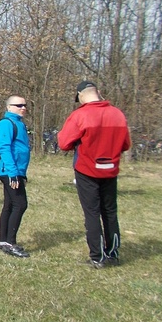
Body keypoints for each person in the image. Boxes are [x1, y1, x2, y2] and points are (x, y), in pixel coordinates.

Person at [57, 81, 131, 268]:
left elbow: (64, 143)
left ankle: (97, 256)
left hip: (87, 170)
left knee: (92, 213)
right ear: (98, 93)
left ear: (81, 95)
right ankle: (113, 253)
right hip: (110, 169)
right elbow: (126, 144)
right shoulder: (117, 114)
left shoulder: (80, 115)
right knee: (110, 212)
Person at [0, 96, 31, 258]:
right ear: (9, 107)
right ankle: (10, 242)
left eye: (24, 105)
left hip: (16, 171)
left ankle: (4, 241)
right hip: (9, 171)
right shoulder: (6, 124)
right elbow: (4, 148)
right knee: (20, 204)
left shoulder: (19, 123)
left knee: (9, 205)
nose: (23, 108)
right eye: (19, 105)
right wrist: (13, 173)